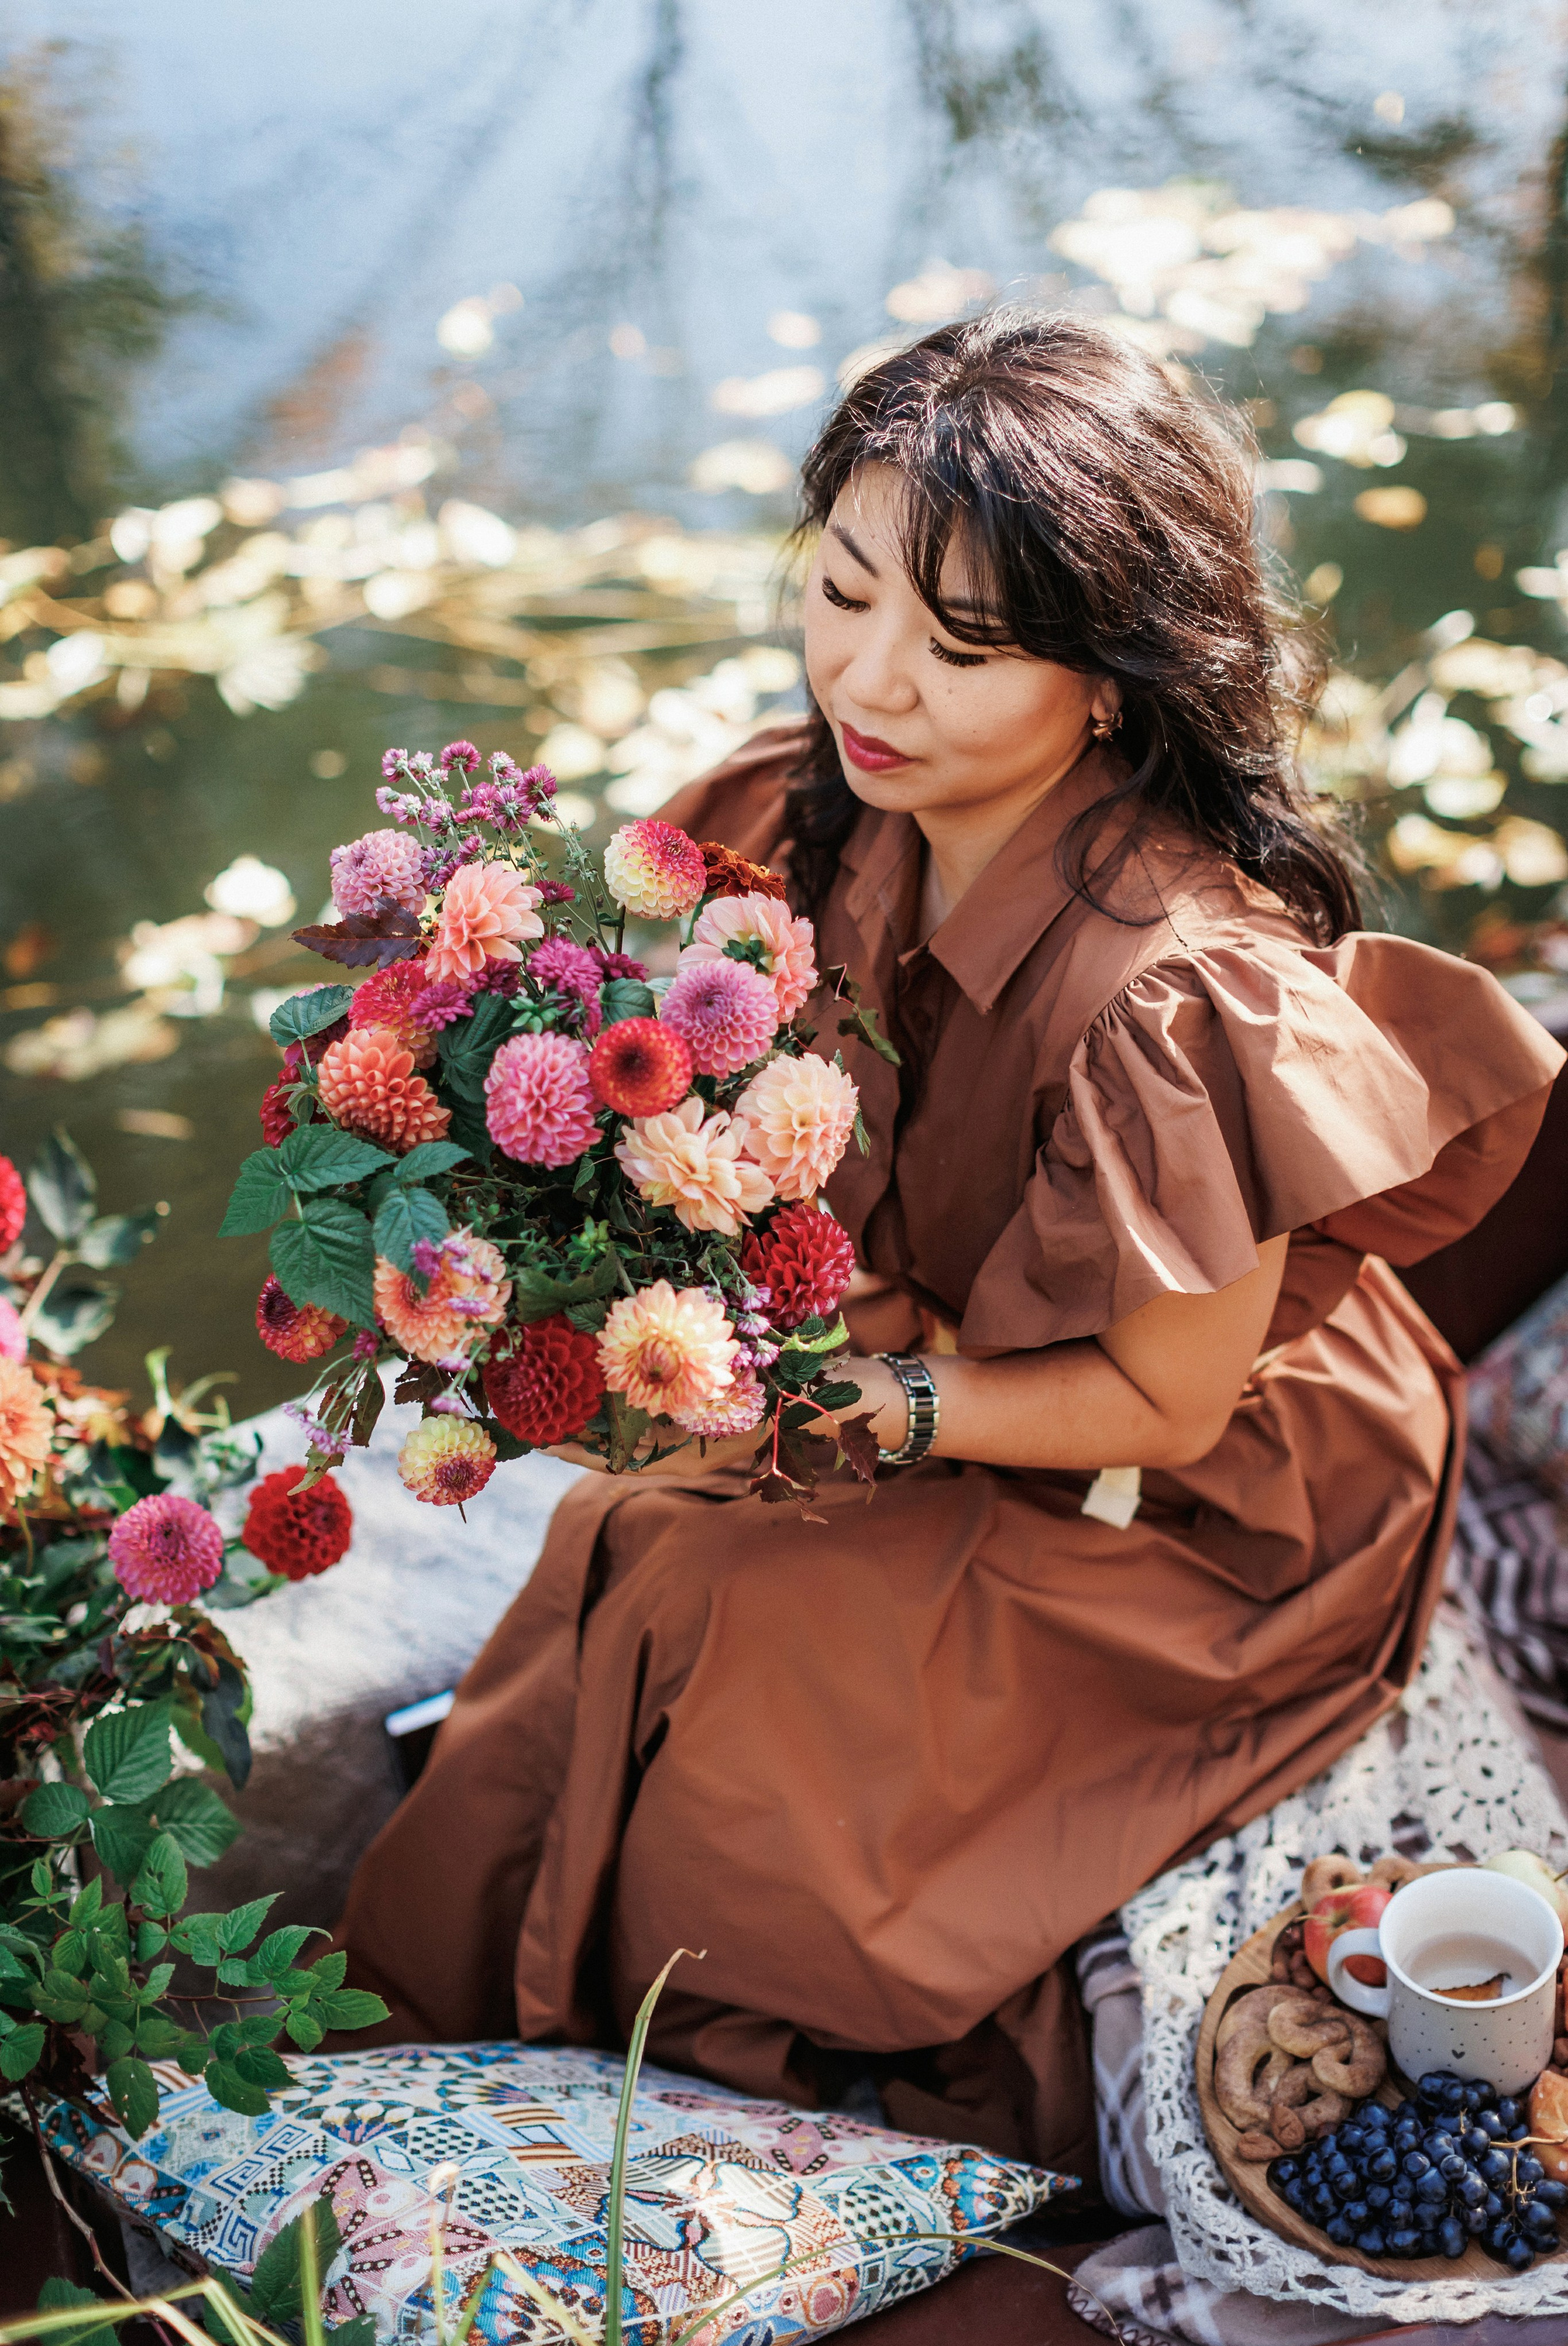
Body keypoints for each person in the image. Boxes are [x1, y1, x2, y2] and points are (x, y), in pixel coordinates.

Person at [336, 312, 1564, 2181]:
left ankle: (704, 1990)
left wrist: (877, 1408)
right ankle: (515, 1931)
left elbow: (1166, 1400)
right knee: (629, 1529)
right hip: (926, 1342)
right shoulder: (814, 811)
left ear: (1113, 684)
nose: (871, 678)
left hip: (1203, 1492)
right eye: (842, 592)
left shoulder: (1182, 991)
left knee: (713, 1595)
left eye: (963, 648)